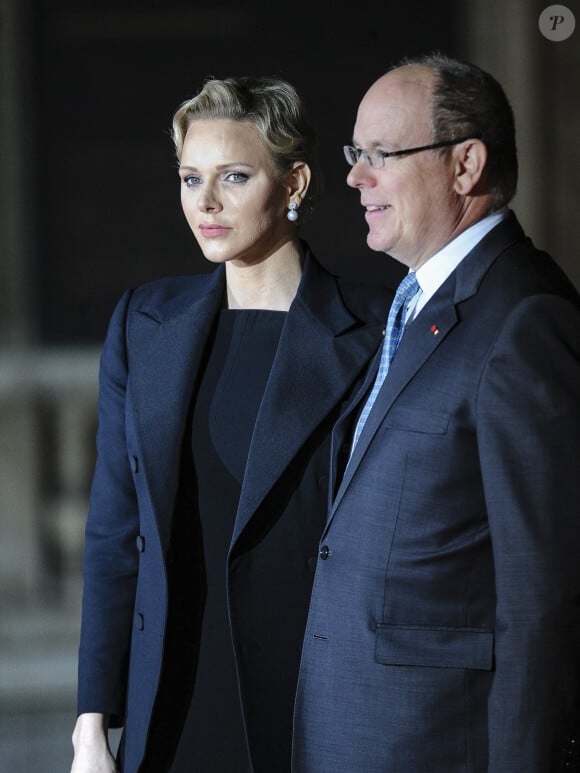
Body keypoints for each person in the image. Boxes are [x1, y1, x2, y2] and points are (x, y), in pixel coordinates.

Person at [69, 75, 390, 773]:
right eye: (190, 179)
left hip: (311, 710)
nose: (205, 203)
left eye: (233, 176)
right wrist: (91, 721)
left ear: (295, 182)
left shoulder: (374, 331)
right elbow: (114, 531)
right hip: (171, 705)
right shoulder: (143, 324)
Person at [292, 53, 580, 772]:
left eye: (380, 155)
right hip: (359, 736)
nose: (355, 177)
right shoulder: (416, 303)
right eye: (355, 154)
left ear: (465, 165)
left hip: (435, 746)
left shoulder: (525, 319)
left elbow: (544, 599)